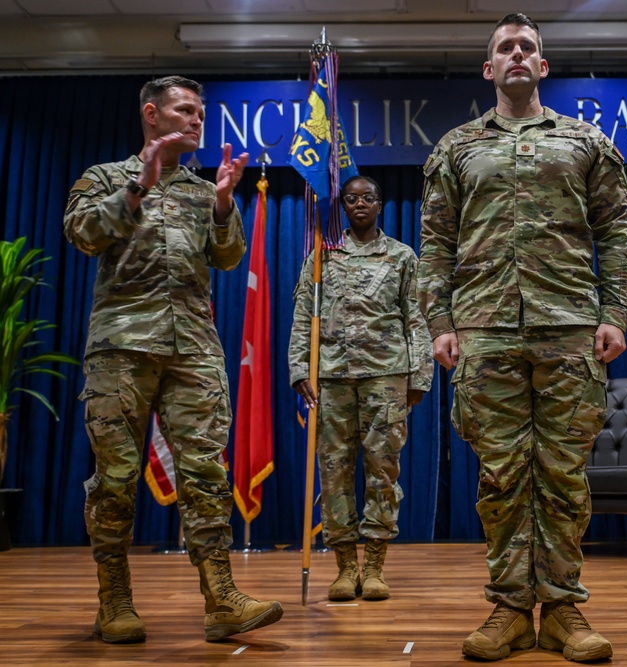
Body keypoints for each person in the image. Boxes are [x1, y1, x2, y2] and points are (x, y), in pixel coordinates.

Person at [418, 13, 627, 662]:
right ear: (489, 69)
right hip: (484, 332)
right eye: (505, 48)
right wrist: (439, 323)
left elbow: (616, 235)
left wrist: (614, 313)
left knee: (565, 474)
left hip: (570, 328)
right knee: (503, 476)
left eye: (528, 47)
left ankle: (565, 609)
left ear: (543, 66)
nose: (517, 54)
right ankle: (511, 608)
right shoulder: (455, 148)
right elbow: (435, 243)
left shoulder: (586, 143)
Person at [64, 75, 282, 644]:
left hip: (192, 349)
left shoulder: (198, 189)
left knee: (207, 473)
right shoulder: (104, 178)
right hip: (121, 347)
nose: (196, 121)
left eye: (200, 113)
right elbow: (83, 234)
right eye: (185, 110)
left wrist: (225, 202)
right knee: (115, 479)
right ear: (151, 115)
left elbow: (230, 257)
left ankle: (222, 599)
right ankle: (114, 600)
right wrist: (138, 186)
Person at [289, 175, 433, 602]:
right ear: (343, 207)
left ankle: (374, 566)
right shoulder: (322, 256)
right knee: (333, 474)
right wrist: (300, 367)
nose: (359, 204)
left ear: (380, 204)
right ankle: (344, 567)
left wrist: (419, 376)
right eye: (351, 199)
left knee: (382, 473)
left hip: (386, 377)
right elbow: (302, 315)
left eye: (368, 197)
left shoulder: (402, 257)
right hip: (331, 378)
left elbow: (417, 320)